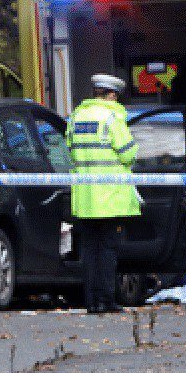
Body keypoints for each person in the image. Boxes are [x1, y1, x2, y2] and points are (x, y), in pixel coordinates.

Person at [66, 73, 138, 314]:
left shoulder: (76, 116)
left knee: (89, 252)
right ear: (111, 94)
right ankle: (107, 300)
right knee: (108, 251)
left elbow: (69, 150)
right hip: (109, 197)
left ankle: (91, 302)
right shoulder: (113, 117)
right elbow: (128, 153)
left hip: (85, 197)